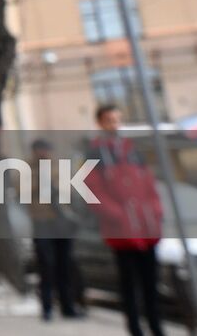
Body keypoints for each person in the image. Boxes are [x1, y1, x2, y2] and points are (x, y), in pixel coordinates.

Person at [85, 104, 164, 336]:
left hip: (146, 227)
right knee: (129, 283)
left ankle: (156, 325)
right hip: (122, 230)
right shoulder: (95, 153)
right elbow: (90, 190)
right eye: (110, 120)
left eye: (118, 119)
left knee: (151, 281)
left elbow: (149, 183)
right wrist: (116, 214)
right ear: (100, 123)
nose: (115, 124)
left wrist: (155, 210)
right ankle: (135, 327)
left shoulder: (133, 149)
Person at [27, 139, 82, 322]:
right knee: (46, 265)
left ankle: (68, 306)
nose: (43, 153)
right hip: (41, 222)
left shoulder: (58, 167)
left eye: (46, 150)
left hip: (61, 222)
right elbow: (23, 191)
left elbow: (69, 189)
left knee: (64, 265)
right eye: (40, 150)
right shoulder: (27, 170)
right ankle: (47, 307)